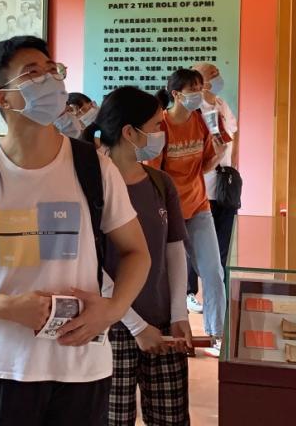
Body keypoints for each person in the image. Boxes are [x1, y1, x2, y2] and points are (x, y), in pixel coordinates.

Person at [0, 36, 151, 426]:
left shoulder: (95, 168)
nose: (51, 80)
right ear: (2, 98)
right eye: (33, 73)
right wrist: (5, 307)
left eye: (52, 70)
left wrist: (114, 310)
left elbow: (137, 252)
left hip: (83, 365)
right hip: (5, 366)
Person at [83, 87, 192, 425]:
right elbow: (91, 264)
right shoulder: (91, 186)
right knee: (113, 419)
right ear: (130, 133)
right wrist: (136, 326)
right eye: (157, 125)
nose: (162, 132)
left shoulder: (160, 182)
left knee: (171, 417)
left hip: (162, 323)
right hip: (110, 327)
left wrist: (178, 313)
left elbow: (174, 249)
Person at [153, 68, 229, 354]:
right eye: (193, 89)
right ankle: (172, 334)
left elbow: (204, 166)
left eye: (200, 87)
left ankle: (216, 334)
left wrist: (218, 155)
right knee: (168, 276)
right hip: (168, 211)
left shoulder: (201, 121)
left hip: (198, 207)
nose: (199, 93)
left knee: (213, 272)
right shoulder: (160, 125)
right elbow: (153, 175)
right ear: (176, 94)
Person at [189, 63, 240, 313]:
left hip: (224, 184)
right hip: (202, 187)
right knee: (194, 245)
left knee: (224, 244)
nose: (218, 78)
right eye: (212, 74)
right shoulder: (193, 109)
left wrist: (232, 167)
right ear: (201, 81)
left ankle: (221, 296)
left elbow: (233, 135)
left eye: (218, 73)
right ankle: (189, 292)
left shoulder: (221, 103)